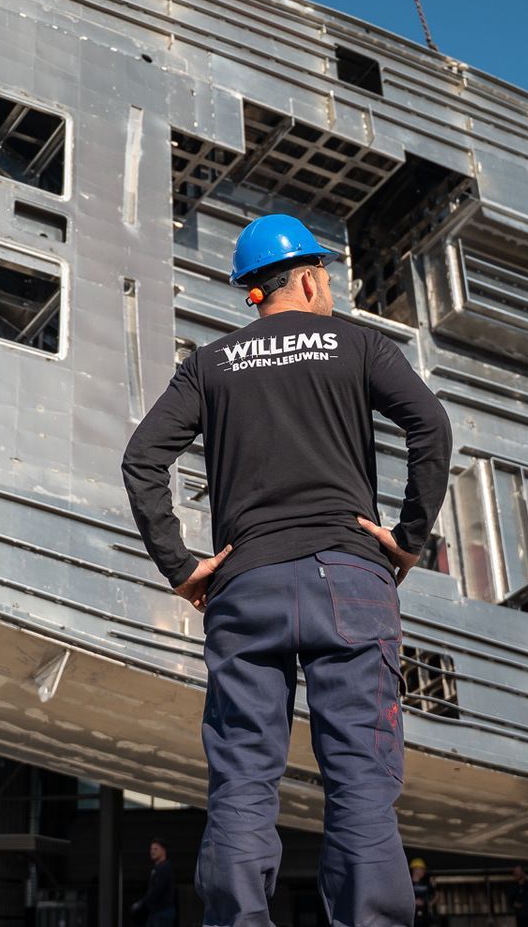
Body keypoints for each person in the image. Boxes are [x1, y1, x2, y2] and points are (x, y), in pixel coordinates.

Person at [124, 214, 453, 927]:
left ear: (253, 293)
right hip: (352, 581)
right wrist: (408, 538)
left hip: (246, 584)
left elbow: (141, 459)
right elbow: (431, 426)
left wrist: (182, 567)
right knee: (361, 781)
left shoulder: (209, 365)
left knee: (243, 779)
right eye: (326, 277)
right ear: (306, 277)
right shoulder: (361, 345)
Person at [130, 839, 177, 927]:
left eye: (155, 849)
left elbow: (157, 889)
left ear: (163, 850)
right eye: (151, 849)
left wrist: (141, 903)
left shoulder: (164, 868)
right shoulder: (158, 868)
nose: (152, 852)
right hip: (156, 913)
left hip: (163, 912)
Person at [409, 858, 441, 927]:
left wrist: (429, 903)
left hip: (424, 917)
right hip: (412, 917)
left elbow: (437, 895)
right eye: (422, 869)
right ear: (415, 870)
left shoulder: (426, 884)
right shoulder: (407, 884)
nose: (424, 871)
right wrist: (413, 902)